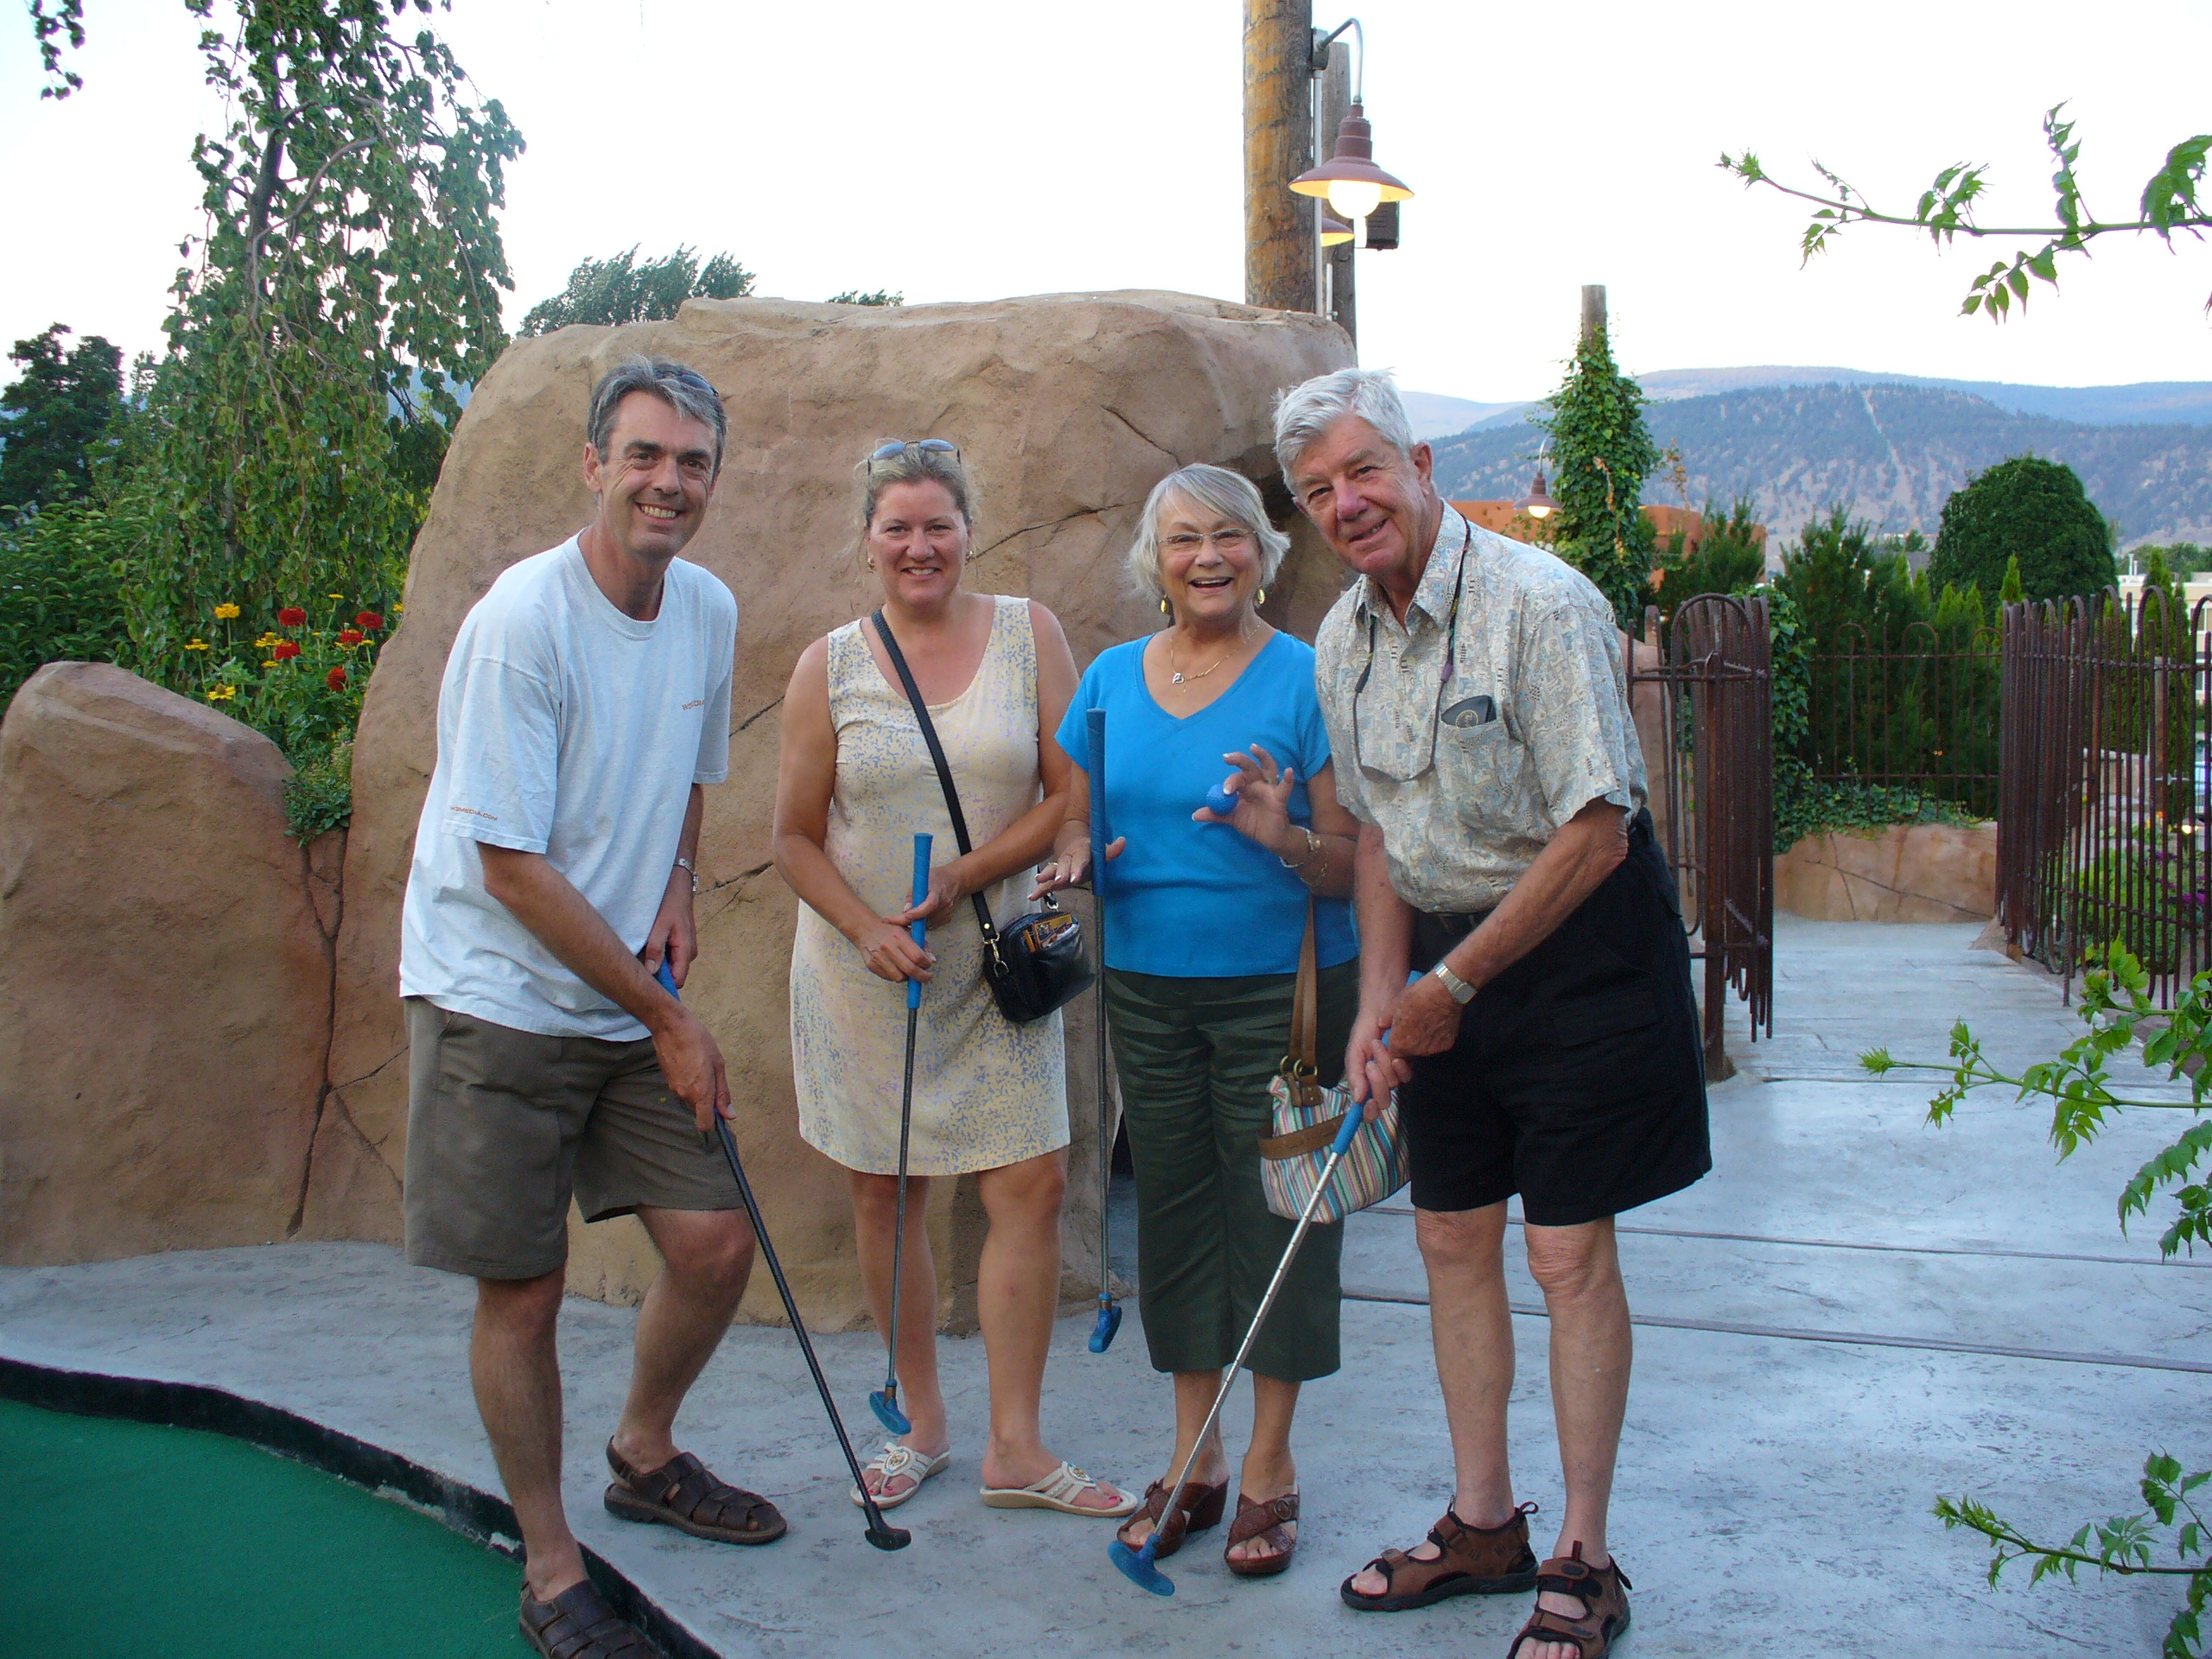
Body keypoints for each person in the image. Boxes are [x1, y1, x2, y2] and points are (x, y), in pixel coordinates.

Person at [1282, 368, 1708, 1659]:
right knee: (1450, 1240)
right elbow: (1375, 837)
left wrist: (1448, 990)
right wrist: (1378, 1004)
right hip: (1440, 967)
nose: (1347, 504)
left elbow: (1597, 828)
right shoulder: (1342, 640)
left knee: (1565, 1256)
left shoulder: (1541, 602)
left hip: (1581, 953)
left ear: (1418, 465)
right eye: (1317, 490)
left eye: (1364, 470)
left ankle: (1583, 1554)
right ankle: (1482, 1526)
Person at [400, 357, 777, 1659]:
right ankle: (552, 1568)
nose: (669, 482)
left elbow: (690, 772)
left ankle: (644, 1452)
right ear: (594, 465)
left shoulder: (706, 609)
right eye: (645, 456)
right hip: (497, 993)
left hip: (620, 993)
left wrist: (677, 883)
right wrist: (673, 1021)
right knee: (527, 1290)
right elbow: (508, 866)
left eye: (692, 462)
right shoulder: (525, 622)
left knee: (714, 1244)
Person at [772, 438, 1135, 1522]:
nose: (919, 546)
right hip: (865, 975)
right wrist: (865, 931)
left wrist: (968, 876)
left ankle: (1015, 1448)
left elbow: (1069, 792)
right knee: (886, 1193)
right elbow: (792, 838)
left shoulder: (1030, 634)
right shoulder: (828, 665)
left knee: (1030, 1184)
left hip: (994, 960)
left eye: (939, 525)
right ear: (868, 541)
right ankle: (921, 1427)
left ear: (971, 531)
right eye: (898, 528)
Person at [1033, 462, 1361, 1579]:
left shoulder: (1310, 679)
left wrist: (1284, 836)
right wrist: (1077, 856)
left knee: (1281, 1213)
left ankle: (1270, 1463)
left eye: (1228, 536)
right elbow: (1073, 818)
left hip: (1286, 988)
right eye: (1183, 539)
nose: (1207, 557)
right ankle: (1196, 1457)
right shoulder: (1109, 682)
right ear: (1155, 560)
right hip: (1148, 986)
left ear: (1263, 552)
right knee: (1172, 1210)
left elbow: (1355, 861)